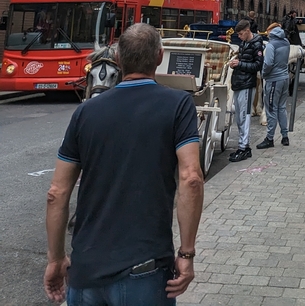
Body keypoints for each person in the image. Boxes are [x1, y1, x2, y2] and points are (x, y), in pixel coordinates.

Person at [43, 23, 204, 305]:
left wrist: (56, 259)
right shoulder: (178, 105)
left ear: (117, 59)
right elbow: (191, 178)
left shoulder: (85, 112)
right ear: (159, 56)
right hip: (146, 269)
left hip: (86, 271)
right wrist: (186, 254)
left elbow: (56, 193)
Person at [228, 19, 264, 162]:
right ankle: (242, 146)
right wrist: (236, 63)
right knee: (240, 116)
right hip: (240, 82)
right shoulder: (245, 43)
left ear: (248, 31)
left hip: (247, 84)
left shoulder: (256, 44)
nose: (239, 37)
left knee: (244, 116)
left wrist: (239, 63)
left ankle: (244, 147)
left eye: (241, 34)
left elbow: (257, 66)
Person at [257, 24, 290, 149]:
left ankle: (269, 138)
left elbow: (268, 62)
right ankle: (285, 136)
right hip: (284, 77)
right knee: (281, 107)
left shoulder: (271, 45)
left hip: (274, 79)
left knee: (271, 109)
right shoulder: (286, 42)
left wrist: (264, 73)